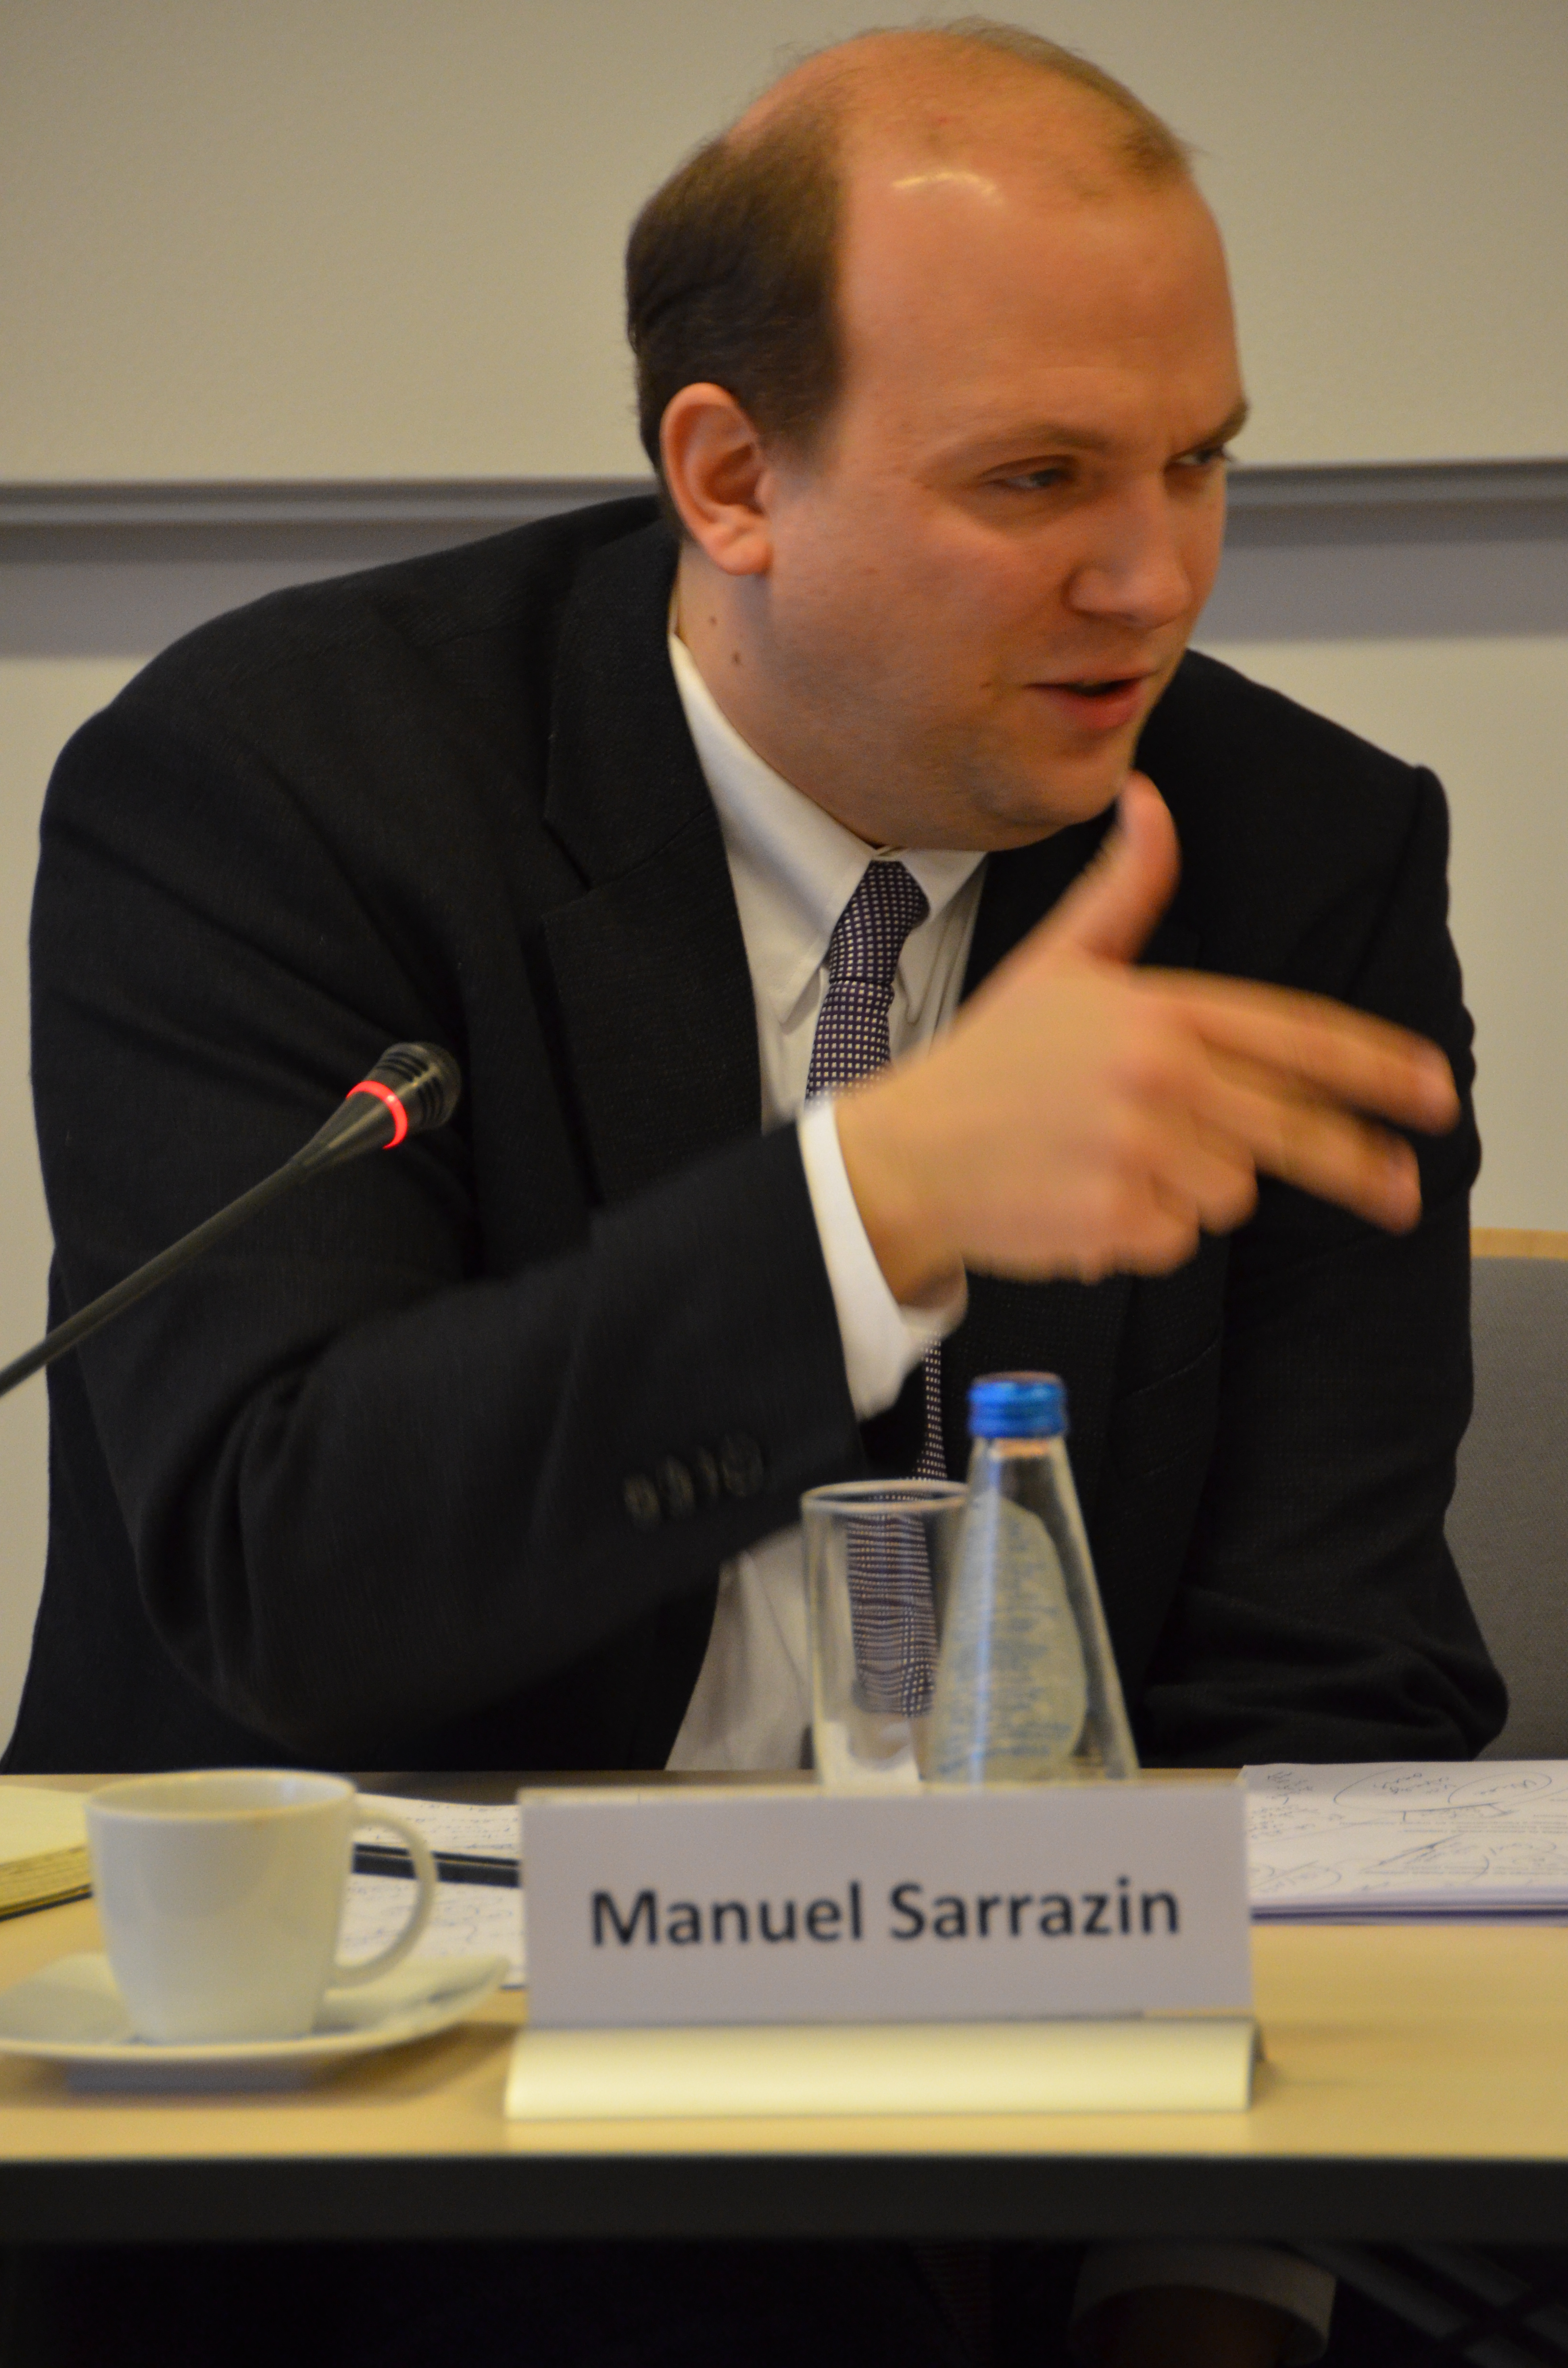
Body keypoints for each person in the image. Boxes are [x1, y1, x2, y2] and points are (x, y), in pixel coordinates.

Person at [12, 22, 1502, 2366]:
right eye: (1039, 477)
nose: (1155, 576)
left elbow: (1329, 1655)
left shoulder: (1300, 853)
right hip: (416, 2113)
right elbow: (285, 1567)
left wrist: (1207, 2282)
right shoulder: (277, 793)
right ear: (730, 475)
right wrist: (867, 1209)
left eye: (1202, 461)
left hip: (1089, 2108)